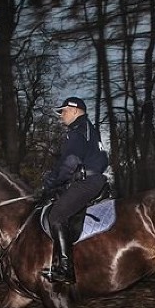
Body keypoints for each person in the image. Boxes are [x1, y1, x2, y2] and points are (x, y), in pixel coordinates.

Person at [38, 96, 109, 283]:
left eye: (64, 111)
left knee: (56, 215)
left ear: (75, 110)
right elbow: (102, 159)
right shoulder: (89, 129)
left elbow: (70, 162)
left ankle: (66, 269)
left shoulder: (77, 131)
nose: (62, 116)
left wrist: (50, 183)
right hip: (94, 179)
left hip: (87, 182)